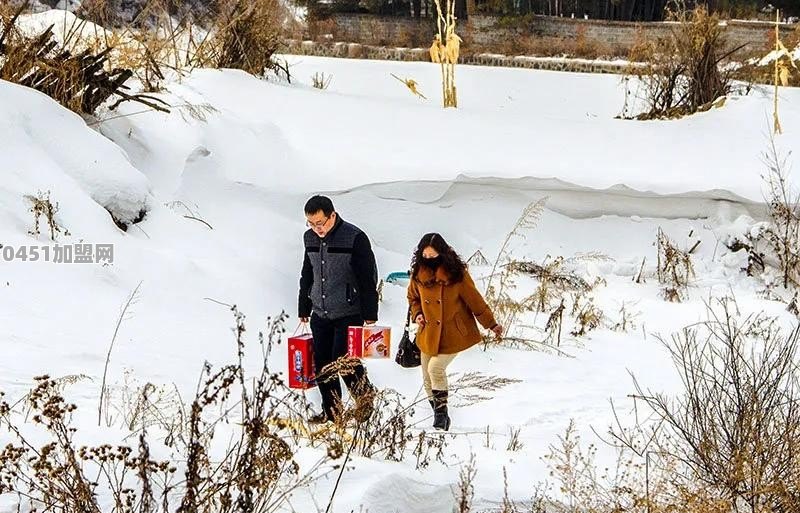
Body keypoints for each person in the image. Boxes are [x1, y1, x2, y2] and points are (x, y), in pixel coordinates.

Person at [407, 233, 503, 431]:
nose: (429, 260)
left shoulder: (457, 274)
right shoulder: (418, 274)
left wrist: (491, 324)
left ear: (442, 254)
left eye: (433, 256)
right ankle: (438, 413)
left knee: (435, 369)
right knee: (426, 378)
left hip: (453, 332)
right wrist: (417, 315)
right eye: (426, 256)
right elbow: (413, 298)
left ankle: (441, 417)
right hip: (428, 332)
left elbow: (474, 300)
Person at [298, 195, 379, 424]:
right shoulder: (309, 238)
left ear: (332, 215)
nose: (316, 228)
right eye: (311, 224)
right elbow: (308, 272)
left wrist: (370, 314)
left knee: (343, 361)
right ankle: (332, 411)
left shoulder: (354, 238)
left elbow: (367, 276)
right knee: (323, 365)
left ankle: (365, 399)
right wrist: (304, 304)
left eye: (320, 223)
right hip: (320, 312)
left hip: (349, 311)